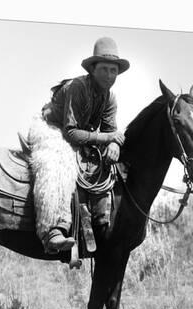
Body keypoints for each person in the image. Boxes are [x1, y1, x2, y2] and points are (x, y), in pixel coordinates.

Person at [26, 36, 130, 253]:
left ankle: (99, 224)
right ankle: (53, 229)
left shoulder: (109, 98)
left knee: (104, 165)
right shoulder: (77, 87)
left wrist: (114, 146)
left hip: (82, 134)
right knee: (58, 162)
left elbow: (111, 131)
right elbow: (71, 132)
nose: (109, 75)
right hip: (51, 128)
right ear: (93, 69)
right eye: (104, 69)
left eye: (113, 70)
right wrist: (107, 139)